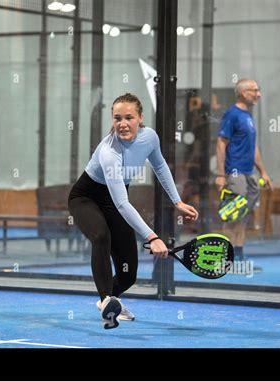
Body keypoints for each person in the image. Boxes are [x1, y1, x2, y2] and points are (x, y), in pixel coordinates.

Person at [68, 93, 199, 329]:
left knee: (128, 274)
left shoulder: (150, 138)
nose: (122, 124)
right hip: (86, 199)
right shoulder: (110, 152)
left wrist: (177, 201)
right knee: (100, 236)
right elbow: (122, 204)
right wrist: (152, 237)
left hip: (115, 202)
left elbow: (159, 165)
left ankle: (111, 302)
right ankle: (106, 299)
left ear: (140, 118)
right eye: (117, 118)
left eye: (129, 117)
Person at [215, 79, 273, 270]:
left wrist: (263, 171)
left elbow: (253, 147)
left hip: (249, 175)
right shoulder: (232, 115)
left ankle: (238, 256)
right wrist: (221, 175)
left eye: (258, 90)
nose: (258, 94)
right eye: (254, 90)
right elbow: (221, 143)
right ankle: (227, 260)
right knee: (232, 216)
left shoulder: (248, 116)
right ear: (242, 92)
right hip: (235, 174)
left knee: (242, 216)